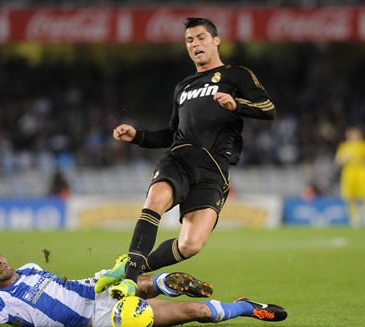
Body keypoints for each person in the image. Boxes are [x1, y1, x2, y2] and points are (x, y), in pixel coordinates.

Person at [98, 17, 276, 299]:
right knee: (155, 200)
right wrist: (138, 136)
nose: (195, 44)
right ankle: (130, 282)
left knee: (190, 245)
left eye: (201, 38)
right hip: (180, 157)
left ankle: (129, 264)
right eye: (189, 40)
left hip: (214, 168)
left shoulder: (237, 75)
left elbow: (268, 109)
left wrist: (237, 103)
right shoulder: (184, 87)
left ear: (216, 40)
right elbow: (171, 133)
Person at [0, 243, 287, 327]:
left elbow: (61, 288)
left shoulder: (30, 268)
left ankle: (162, 282)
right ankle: (245, 305)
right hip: (100, 316)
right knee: (195, 311)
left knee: (138, 281)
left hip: (94, 287)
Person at [335, 126, 365, 227]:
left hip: (362, 174)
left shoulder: (362, 145)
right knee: (349, 197)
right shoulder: (344, 146)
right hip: (348, 174)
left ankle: (363, 217)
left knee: (363, 196)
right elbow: (338, 161)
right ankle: (354, 218)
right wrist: (345, 159)